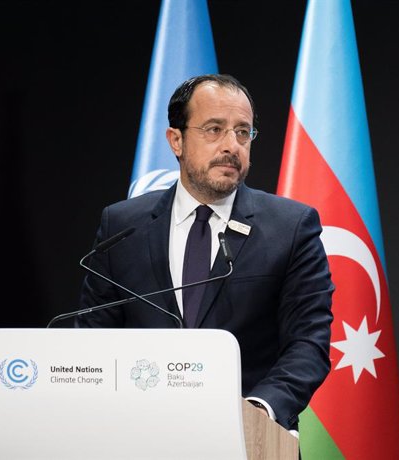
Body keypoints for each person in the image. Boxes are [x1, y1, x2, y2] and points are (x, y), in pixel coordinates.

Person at [76, 74, 333, 432]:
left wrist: (260, 409)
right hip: (140, 435)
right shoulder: (122, 226)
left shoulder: (290, 228)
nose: (232, 145)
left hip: (248, 438)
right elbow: (93, 339)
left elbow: (308, 342)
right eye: (214, 129)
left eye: (243, 132)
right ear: (176, 140)